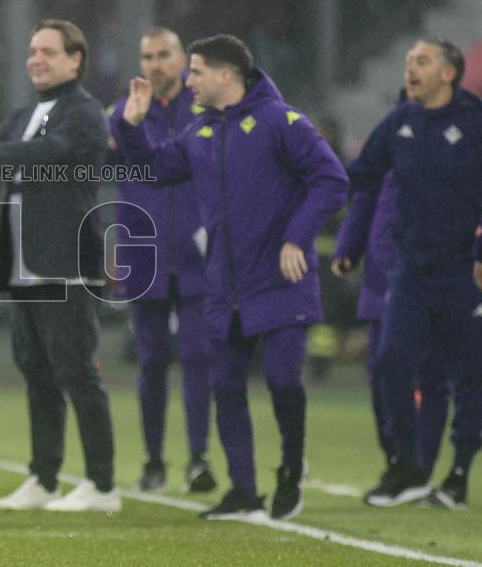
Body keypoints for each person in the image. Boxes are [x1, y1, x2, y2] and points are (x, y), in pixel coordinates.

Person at [118, 34, 348, 520]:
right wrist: (132, 126)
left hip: (280, 279)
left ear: (225, 75)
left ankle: (290, 468)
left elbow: (332, 180)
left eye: (195, 71)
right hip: (224, 284)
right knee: (226, 386)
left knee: (285, 380)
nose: (188, 81)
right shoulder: (200, 131)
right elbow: (153, 170)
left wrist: (296, 238)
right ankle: (243, 488)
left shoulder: (282, 122)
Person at [0, 19, 120, 512]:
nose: (36, 59)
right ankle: (44, 480)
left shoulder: (85, 114)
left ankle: (102, 487)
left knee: (77, 372)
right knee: (37, 372)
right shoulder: (25, 113)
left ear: (75, 59)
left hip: (66, 264)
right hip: (22, 262)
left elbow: (50, 152)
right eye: (31, 52)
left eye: (47, 51)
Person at [346, 38, 482, 509]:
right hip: (413, 271)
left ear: (449, 73)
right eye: (407, 62)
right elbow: (360, 174)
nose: (410, 70)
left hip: (467, 272)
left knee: (469, 376)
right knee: (391, 363)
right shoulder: (400, 121)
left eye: (421, 62)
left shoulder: (475, 122)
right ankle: (405, 466)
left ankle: (460, 471)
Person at [106, 28, 215, 493]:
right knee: (151, 362)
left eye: (164, 55)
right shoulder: (124, 114)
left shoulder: (207, 109)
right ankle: (154, 460)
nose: (154, 64)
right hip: (144, 255)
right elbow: (107, 178)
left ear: (183, 57)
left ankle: (197, 459)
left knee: (197, 357)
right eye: (147, 56)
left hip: (197, 255)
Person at [333, 173, 449, 490]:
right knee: (382, 372)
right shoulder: (391, 138)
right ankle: (397, 458)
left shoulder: (462, 138)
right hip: (380, 277)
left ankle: (419, 468)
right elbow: (365, 196)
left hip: (433, 273)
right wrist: (348, 246)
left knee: (429, 374)